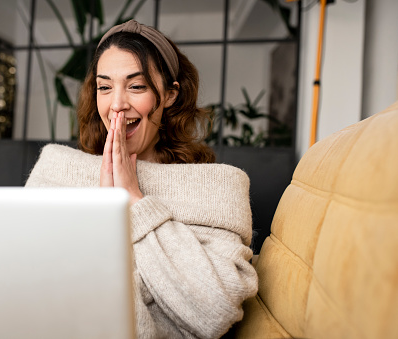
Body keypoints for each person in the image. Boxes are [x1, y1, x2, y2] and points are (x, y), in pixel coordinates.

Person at [26, 20, 258, 339]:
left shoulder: (218, 187)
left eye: (136, 86)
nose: (117, 104)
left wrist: (134, 202)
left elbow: (215, 312)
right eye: (105, 87)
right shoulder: (57, 168)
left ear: (170, 94)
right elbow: (22, 285)